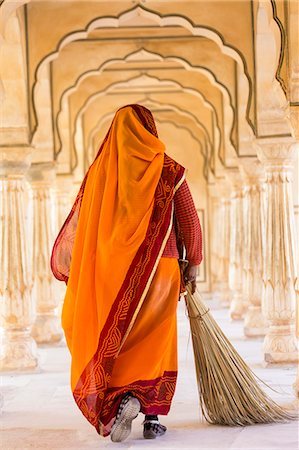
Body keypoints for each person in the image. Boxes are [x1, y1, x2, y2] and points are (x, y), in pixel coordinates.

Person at [51, 104, 203, 442]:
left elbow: (83, 228)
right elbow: (190, 222)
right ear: (150, 129)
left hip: (111, 273)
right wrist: (193, 263)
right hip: (160, 272)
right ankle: (150, 416)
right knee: (156, 342)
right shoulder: (169, 170)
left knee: (120, 340)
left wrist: (85, 271)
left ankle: (123, 398)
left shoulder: (100, 174)